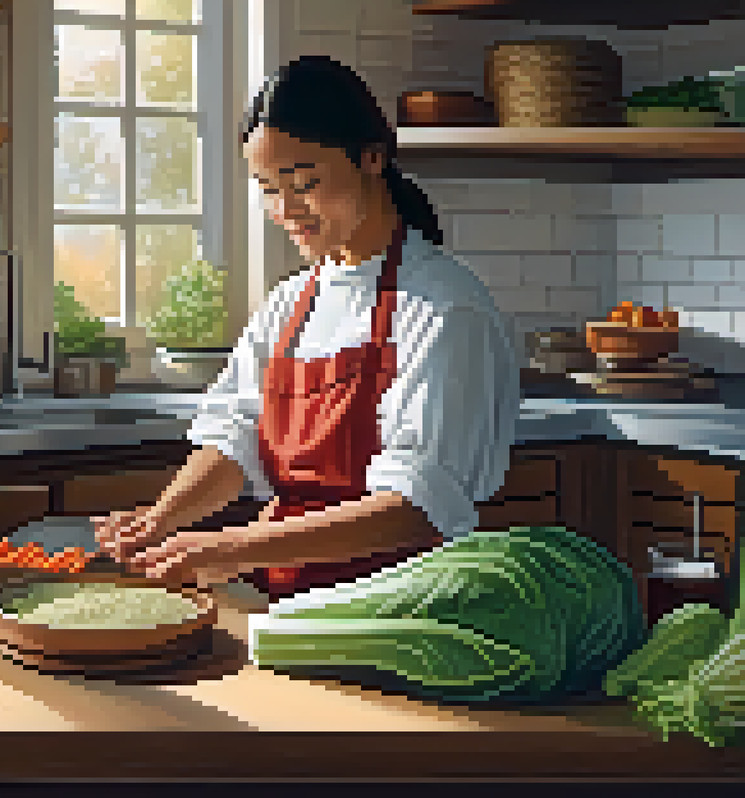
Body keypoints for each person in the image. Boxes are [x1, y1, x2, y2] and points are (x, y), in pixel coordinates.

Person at [96, 55, 520, 599]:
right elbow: (235, 433)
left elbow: (418, 509)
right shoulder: (289, 303)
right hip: (287, 602)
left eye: (302, 182)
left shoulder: (445, 309)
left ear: (372, 157)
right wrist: (159, 520)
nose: (283, 209)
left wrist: (229, 548)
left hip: (397, 606)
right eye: (268, 187)